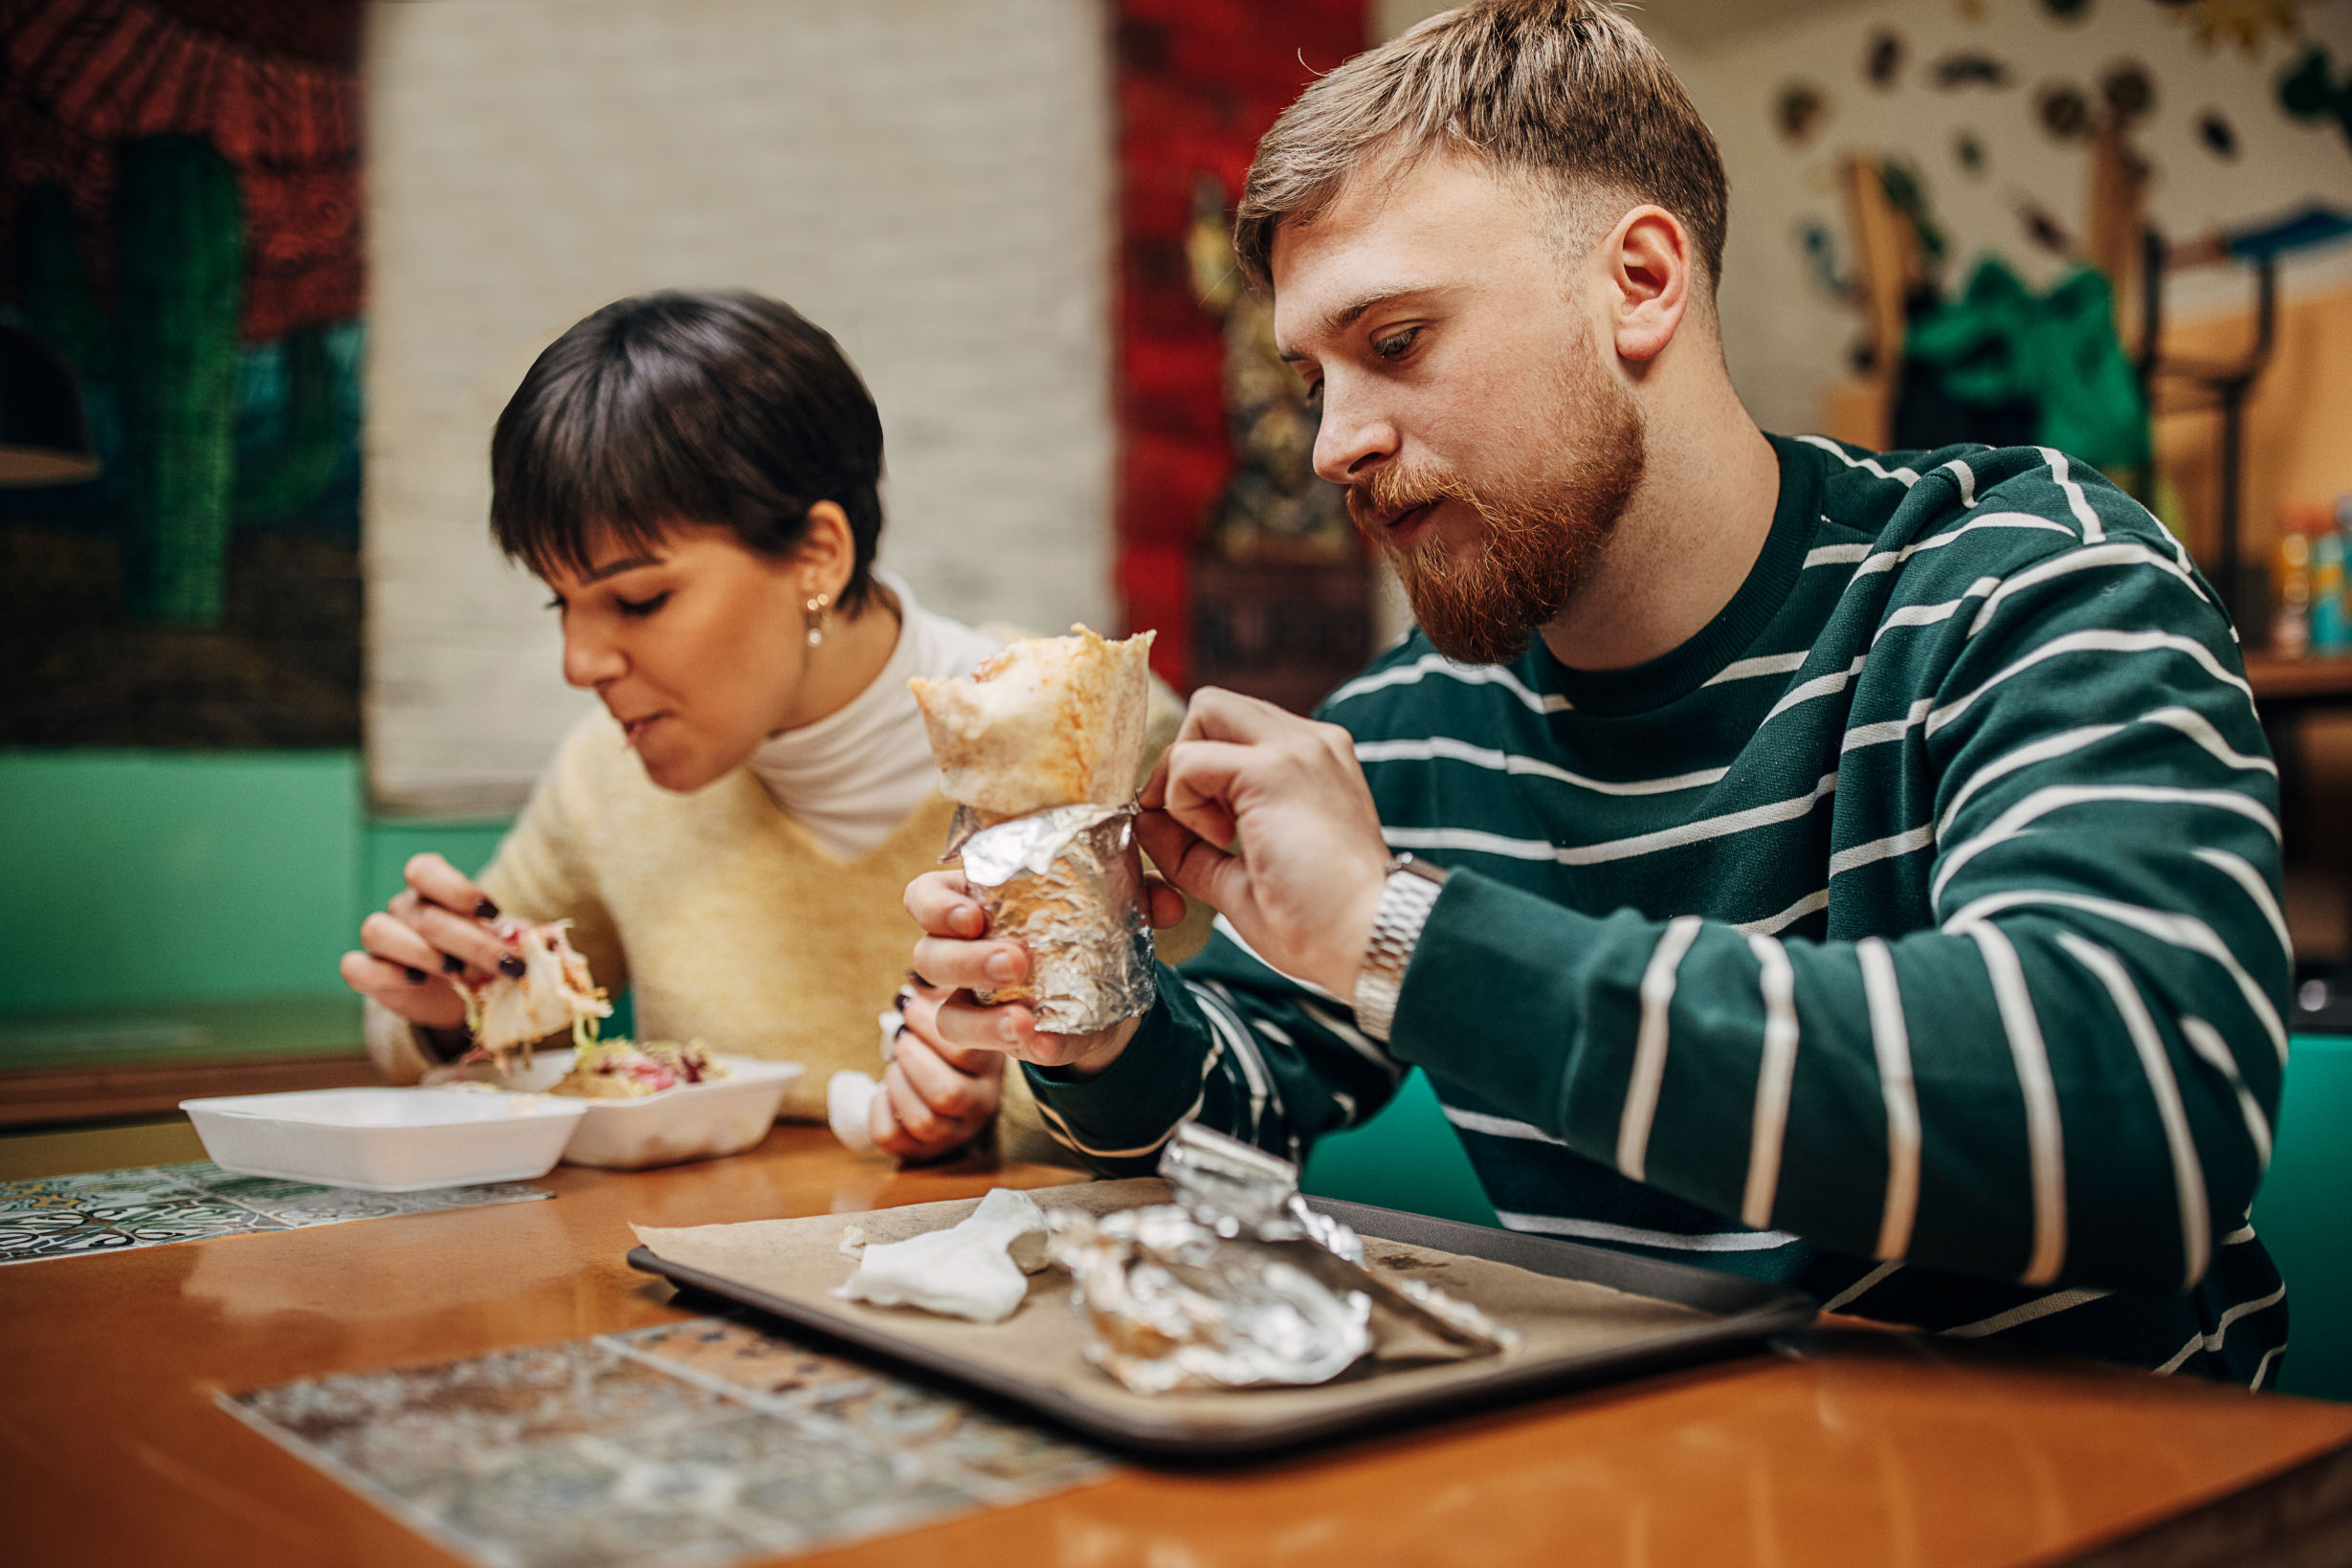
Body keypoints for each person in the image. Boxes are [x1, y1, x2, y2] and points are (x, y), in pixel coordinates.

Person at [903, 0, 2290, 1381]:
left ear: (1638, 281)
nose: (1332, 445)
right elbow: (1238, 1102)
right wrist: (1096, 1024)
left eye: (1395, 341)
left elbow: (2139, 1106)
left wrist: (1396, 932)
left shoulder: (2026, 579)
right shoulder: (1411, 722)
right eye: (1311, 377)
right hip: (1637, 1457)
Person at [342, 289, 1161, 1163]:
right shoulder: (606, 776)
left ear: (818, 556)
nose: (579, 663)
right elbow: (417, 1040)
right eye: (561, 603)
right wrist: (451, 1007)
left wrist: (1009, 1113)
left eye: (638, 599)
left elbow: (1219, 1108)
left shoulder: (1101, 744)